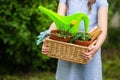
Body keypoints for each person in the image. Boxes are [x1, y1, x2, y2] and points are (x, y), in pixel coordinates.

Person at [42, 0, 108, 80]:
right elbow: (57, 22)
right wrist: (47, 39)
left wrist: (94, 49)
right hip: (68, 49)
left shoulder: (99, 1)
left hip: (89, 51)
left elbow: (102, 29)